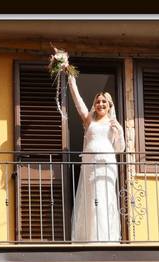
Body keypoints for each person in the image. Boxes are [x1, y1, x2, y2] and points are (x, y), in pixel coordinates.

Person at [67, 71, 125, 242]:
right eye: (98, 102)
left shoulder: (114, 124)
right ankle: (90, 237)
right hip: (90, 165)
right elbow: (78, 102)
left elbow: (120, 149)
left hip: (106, 165)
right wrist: (71, 78)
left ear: (109, 105)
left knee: (104, 199)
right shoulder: (88, 120)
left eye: (104, 102)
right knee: (92, 199)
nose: (100, 104)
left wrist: (120, 132)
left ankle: (105, 237)